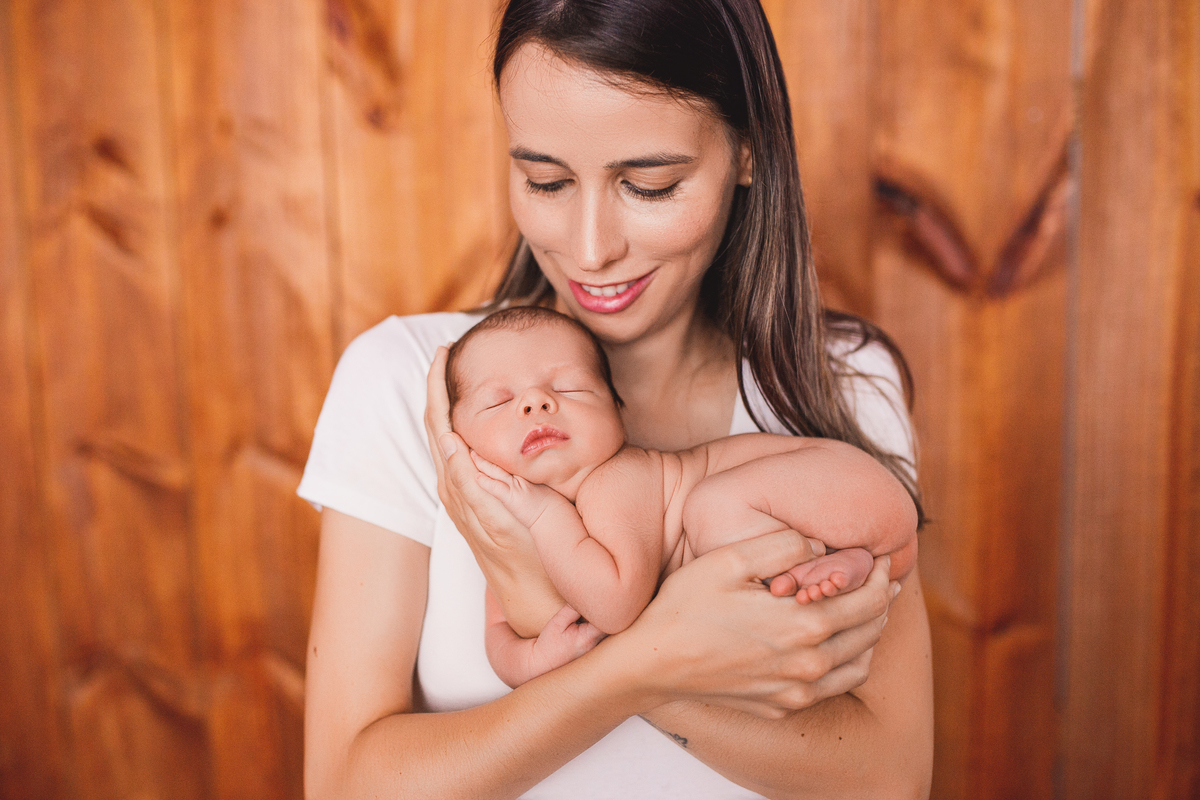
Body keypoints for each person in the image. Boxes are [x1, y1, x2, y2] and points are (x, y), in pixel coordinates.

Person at [299, 0, 934, 797]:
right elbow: (344, 786)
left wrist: (577, 626)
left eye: (650, 184)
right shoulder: (406, 381)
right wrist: (643, 667)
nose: (592, 249)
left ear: (746, 152)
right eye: (546, 179)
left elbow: (889, 779)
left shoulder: (843, 384)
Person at [442, 306, 918, 686]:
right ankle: (850, 561)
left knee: (710, 509)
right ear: (454, 441)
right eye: (499, 402)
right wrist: (532, 661)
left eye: (570, 387)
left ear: (617, 412)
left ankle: (849, 553)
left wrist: (545, 513)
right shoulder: (508, 536)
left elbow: (614, 605)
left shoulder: (615, 480)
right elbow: (499, 633)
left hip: (848, 485)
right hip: (842, 517)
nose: (536, 403)